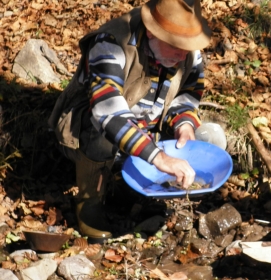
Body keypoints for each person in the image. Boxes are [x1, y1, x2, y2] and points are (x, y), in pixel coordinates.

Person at [48, 0, 226, 243]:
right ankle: (90, 204)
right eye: (176, 46)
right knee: (103, 133)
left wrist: (184, 124)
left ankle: (143, 189)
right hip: (83, 132)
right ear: (152, 31)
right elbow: (107, 113)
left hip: (149, 132)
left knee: (210, 136)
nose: (183, 54)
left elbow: (188, 94)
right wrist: (161, 158)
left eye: (187, 47)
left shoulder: (187, 50)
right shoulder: (110, 43)